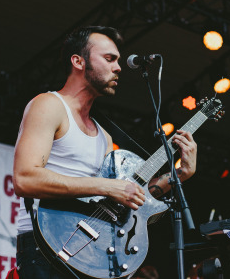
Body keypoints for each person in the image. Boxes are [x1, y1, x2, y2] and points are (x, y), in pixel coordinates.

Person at [13, 26, 197, 278]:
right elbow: (25, 179)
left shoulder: (104, 135)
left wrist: (180, 174)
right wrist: (107, 186)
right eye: (109, 59)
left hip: (93, 254)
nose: (119, 67)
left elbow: (131, 199)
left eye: (118, 60)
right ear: (78, 61)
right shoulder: (49, 105)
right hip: (46, 248)